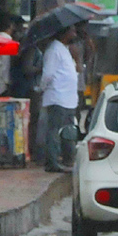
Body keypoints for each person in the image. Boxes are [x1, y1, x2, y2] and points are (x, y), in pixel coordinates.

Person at [39, 26, 80, 172]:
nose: (74, 34)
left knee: (67, 131)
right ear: (64, 33)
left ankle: (68, 158)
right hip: (57, 96)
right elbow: (48, 74)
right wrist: (42, 88)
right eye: (72, 31)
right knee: (54, 131)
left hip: (68, 98)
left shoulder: (64, 49)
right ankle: (52, 162)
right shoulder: (54, 50)